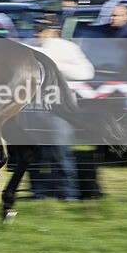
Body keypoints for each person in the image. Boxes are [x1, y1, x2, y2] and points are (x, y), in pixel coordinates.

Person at [25, 15, 95, 200]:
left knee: (61, 153)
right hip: (32, 109)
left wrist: (58, 65)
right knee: (34, 155)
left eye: (41, 30)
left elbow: (87, 72)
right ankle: (38, 193)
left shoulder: (67, 48)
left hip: (59, 111)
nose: (37, 33)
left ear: (53, 31)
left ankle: (68, 194)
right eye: (36, 29)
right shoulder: (26, 46)